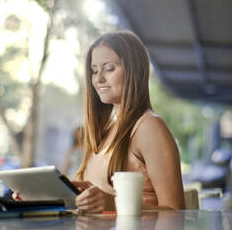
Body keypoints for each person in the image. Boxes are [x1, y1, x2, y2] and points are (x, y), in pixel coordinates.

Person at [14, 30, 185, 212]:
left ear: (134, 70)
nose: (98, 79)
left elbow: (177, 213)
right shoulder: (104, 131)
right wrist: (41, 198)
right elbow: (85, 204)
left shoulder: (149, 127)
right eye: (94, 71)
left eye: (109, 68)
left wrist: (110, 203)